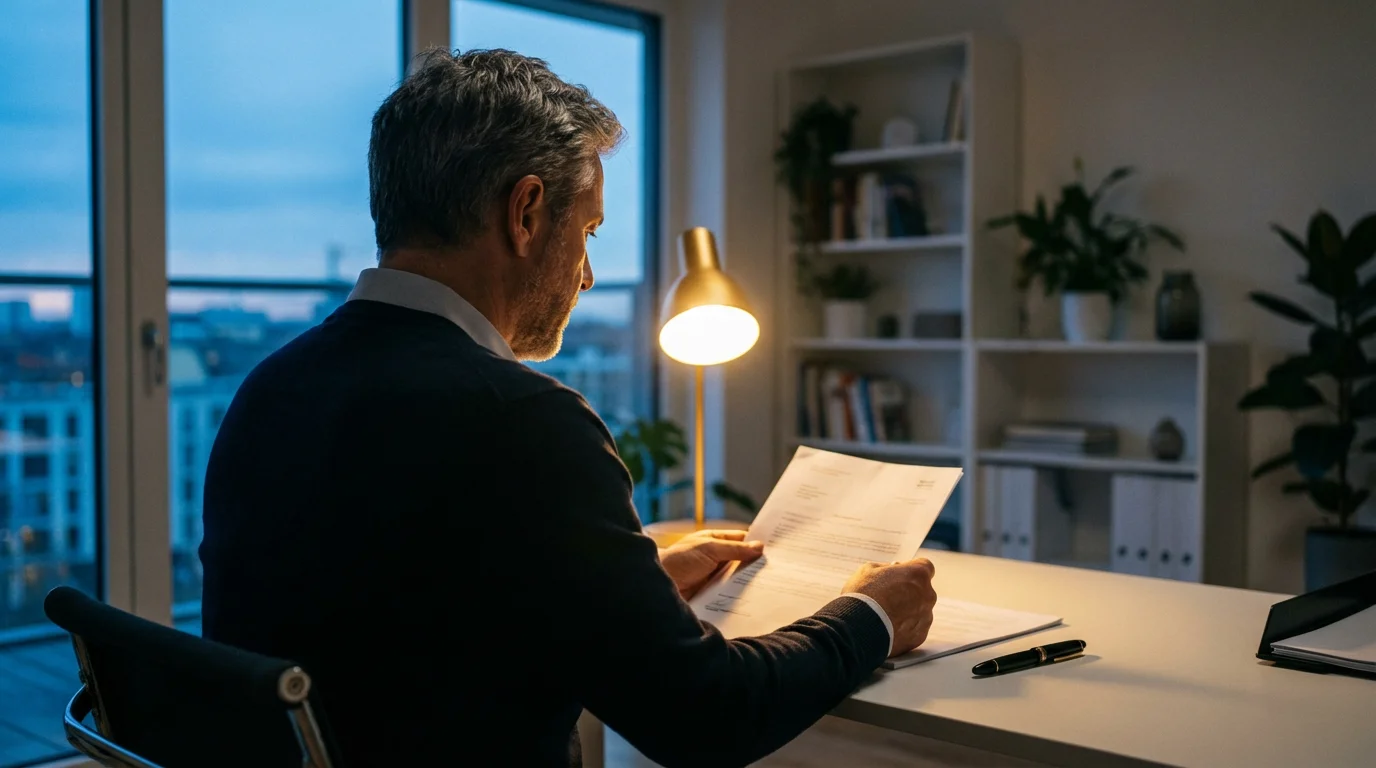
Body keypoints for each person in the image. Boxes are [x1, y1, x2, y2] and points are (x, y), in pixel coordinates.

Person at [200, 48, 938, 768]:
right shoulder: (522, 420)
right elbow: (710, 715)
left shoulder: (268, 391)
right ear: (525, 212)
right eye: (586, 232)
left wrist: (623, 591)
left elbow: (405, 618)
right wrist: (869, 618)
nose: (586, 276)